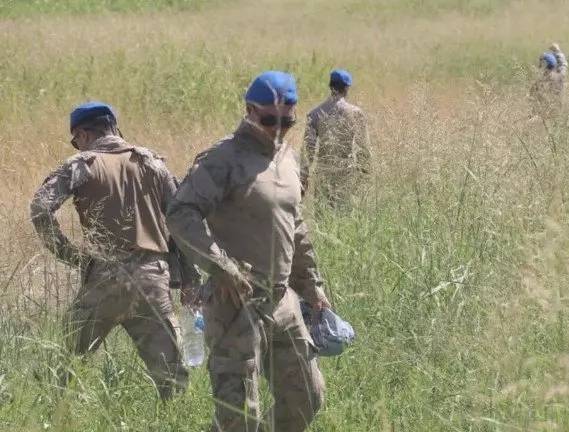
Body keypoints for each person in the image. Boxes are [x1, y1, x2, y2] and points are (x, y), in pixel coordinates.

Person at [167, 71, 330, 432]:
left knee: (305, 396)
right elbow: (180, 213)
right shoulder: (224, 159)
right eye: (269, 119)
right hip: (235, 305)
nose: (278, 128)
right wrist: (219, 266)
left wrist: (311, 285)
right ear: (249, 111)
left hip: (283, 301)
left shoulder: (288, 158)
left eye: (286, 120)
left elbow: (294, 225)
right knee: (240, 418)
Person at [30, 101, 198, 400]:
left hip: (104, 278)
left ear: (82, 133)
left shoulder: (81, 164)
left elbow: (40, 208)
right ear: (112, 127)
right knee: (172, 377)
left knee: (64, 366)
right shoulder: (152, 163)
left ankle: (53, 419)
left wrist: (73, 256)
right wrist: (189, 278)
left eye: (75, 139)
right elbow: (182, 221)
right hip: (153, 279)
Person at [302, 68, 370, 204]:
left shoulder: (314, 114)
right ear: (347, 88)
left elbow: (307, 151)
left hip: (323, 175)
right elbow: (364, 149)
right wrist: (364, 176)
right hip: (347, 174)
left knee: (322, 219)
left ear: (330, 86)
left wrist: (303, 178)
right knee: (345, 219)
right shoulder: (356, 113)